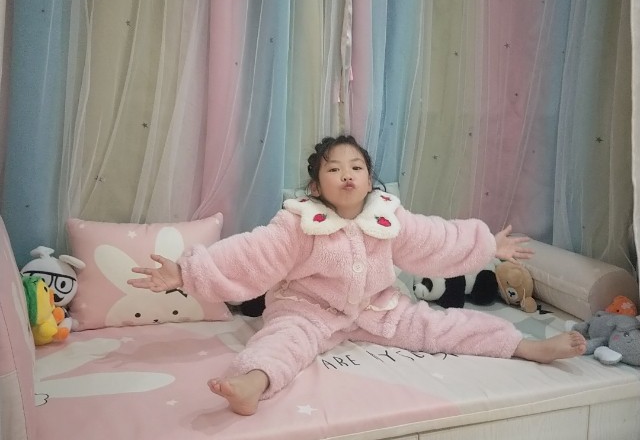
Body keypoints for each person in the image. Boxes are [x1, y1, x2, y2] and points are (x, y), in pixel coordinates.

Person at [128, 135, 587, 416]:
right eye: (334, 168)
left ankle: (524, 346)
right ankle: (252, 382)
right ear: (316, 186)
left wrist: (487, 245)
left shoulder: (388, 219)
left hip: (377, 307)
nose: (346, 174)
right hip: (307, 309)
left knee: (441, 325)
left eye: (356, 167)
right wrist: (187, 272)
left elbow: (436, 238)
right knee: (283, 341)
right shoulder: (298, 223)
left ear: (369, 180)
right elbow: (252, 254)